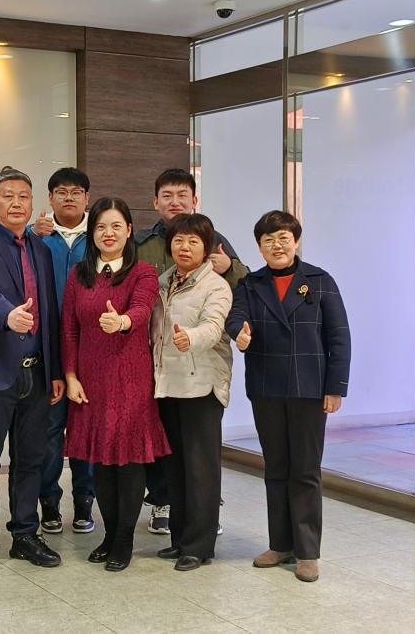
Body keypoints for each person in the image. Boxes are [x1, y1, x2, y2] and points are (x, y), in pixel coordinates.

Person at [225, 210, 350, 583]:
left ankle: (308, 552)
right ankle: (280, 544)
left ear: (295, 241)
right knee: (276, 468)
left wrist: (335, 387)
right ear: (259, 247)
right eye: (268, 240)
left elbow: (339, 336)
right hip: (266, 387)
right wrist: (239, 332)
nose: (276, 246)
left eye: (283, 238)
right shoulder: (250, 284)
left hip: (310, 389)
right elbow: (235, 316)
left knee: (306, 470)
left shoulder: (320, 281)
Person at [0, 168, 65, 579]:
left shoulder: (41, 248)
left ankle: (25, 534)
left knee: (31, 460)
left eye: (23, 196)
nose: (16, 203)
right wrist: (7, 314)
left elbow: (50, 311)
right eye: (8, 196)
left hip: (36, 372)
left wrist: (55, 370)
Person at [136, 168, 248, 535]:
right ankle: (169, 509)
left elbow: (236, 296)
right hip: (161, 371)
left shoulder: (216, 242)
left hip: (200, 371)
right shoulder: (142, 245)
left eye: (182, 195)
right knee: (168, 449)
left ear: (194, 199)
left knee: (200, 457)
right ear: (155, 201)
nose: (175, 202)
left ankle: (202, 527)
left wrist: (230, 266)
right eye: (167, 195)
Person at [62, 197, 169, 572]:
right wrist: (70, 376)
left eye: (116, 226)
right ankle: (109, 535)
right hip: (90, 381)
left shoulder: (143, 272)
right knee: (101, 464)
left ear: (128, 231)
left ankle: (124, 540)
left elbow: (141, 309)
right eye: (100, 227)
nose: (108, 233)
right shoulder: (79, 275)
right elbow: (69, 329)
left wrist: (122, 322)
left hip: (130, 379)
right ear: (92, 233)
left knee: (128, 462)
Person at [150, 213, 233, 571]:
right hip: (168, 385)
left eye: (193, 241)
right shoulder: (163, 281)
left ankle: (199, 546)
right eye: (179, 240)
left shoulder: (216, 286)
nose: (184, 247)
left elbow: (213, 327)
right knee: (176, 469)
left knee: (201, 470)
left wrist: (191, 338)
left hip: (202, 386)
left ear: (207, 248)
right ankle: (180, 539)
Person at [29, 167, 96, 534]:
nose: (69, 197)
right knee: (50, 431)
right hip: (47, 349)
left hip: (92, 349)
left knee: (85, 428)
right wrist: (32, 234)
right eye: (61, 192)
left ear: (87, 198)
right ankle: (49, 502)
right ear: (50, 198)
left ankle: (85, 500)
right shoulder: (36, 236)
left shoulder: (99, 236)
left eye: (76, 192)